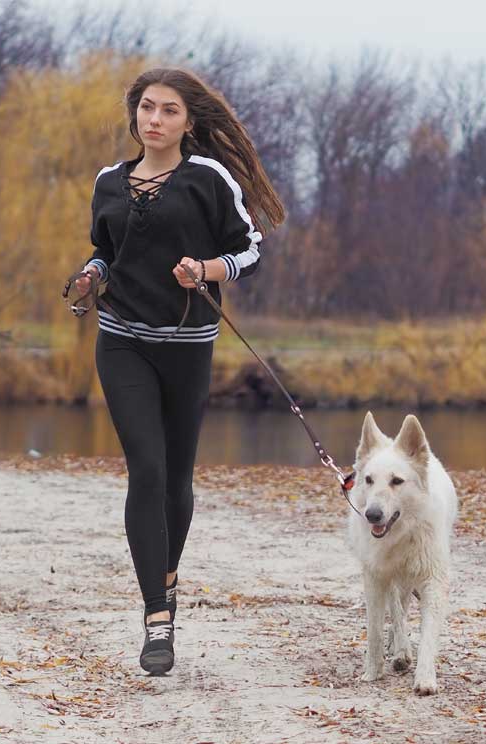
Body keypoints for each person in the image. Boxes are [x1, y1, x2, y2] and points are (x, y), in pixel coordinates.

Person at [69, 68, 286, 675]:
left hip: (188, 343)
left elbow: (249, 248)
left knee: (177, 480)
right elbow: (105, 250)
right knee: (147, 467)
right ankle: (156, 618)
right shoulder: (109, 181)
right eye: (146, 108)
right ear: (135, 115)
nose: (155, 119)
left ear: (188, 122)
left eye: (168, 110)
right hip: (122, 341)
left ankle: (166, 584)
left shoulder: (207, 179)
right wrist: (90, 276)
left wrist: (207, 269)